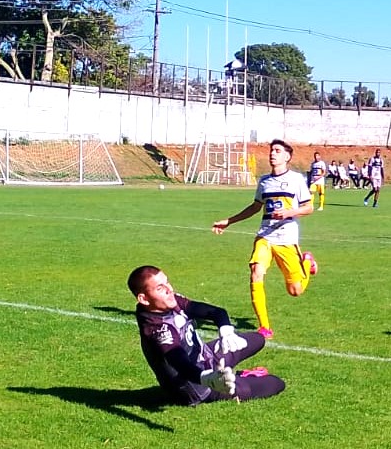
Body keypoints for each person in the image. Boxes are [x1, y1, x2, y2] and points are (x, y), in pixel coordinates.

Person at [128, 265, 286, 405]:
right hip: (198, 386)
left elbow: (215, 311)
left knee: (257, 339)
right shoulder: (157, 329)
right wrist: (207, 378)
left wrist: (226, 330)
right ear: (144, 299)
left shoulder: (170, 302)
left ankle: (234, 374)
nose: (170, 290)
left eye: (167, 282)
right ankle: (238, 378)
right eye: (160, 288)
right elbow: (179, 362)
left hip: (207, 357)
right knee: (276, 383)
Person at [212, 139, 315, 339]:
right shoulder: (264, 181)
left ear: (287, 156)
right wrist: (229, 221)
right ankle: (264, 327)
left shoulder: (296, 180)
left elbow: (308, 207)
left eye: (277, 151)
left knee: (296, 290)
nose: (272, 154)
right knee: (255, 272)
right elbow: (255, 207)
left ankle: (307, 262)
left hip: (286, 239)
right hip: (265, 236)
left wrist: (289, 212)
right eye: (271, 150)